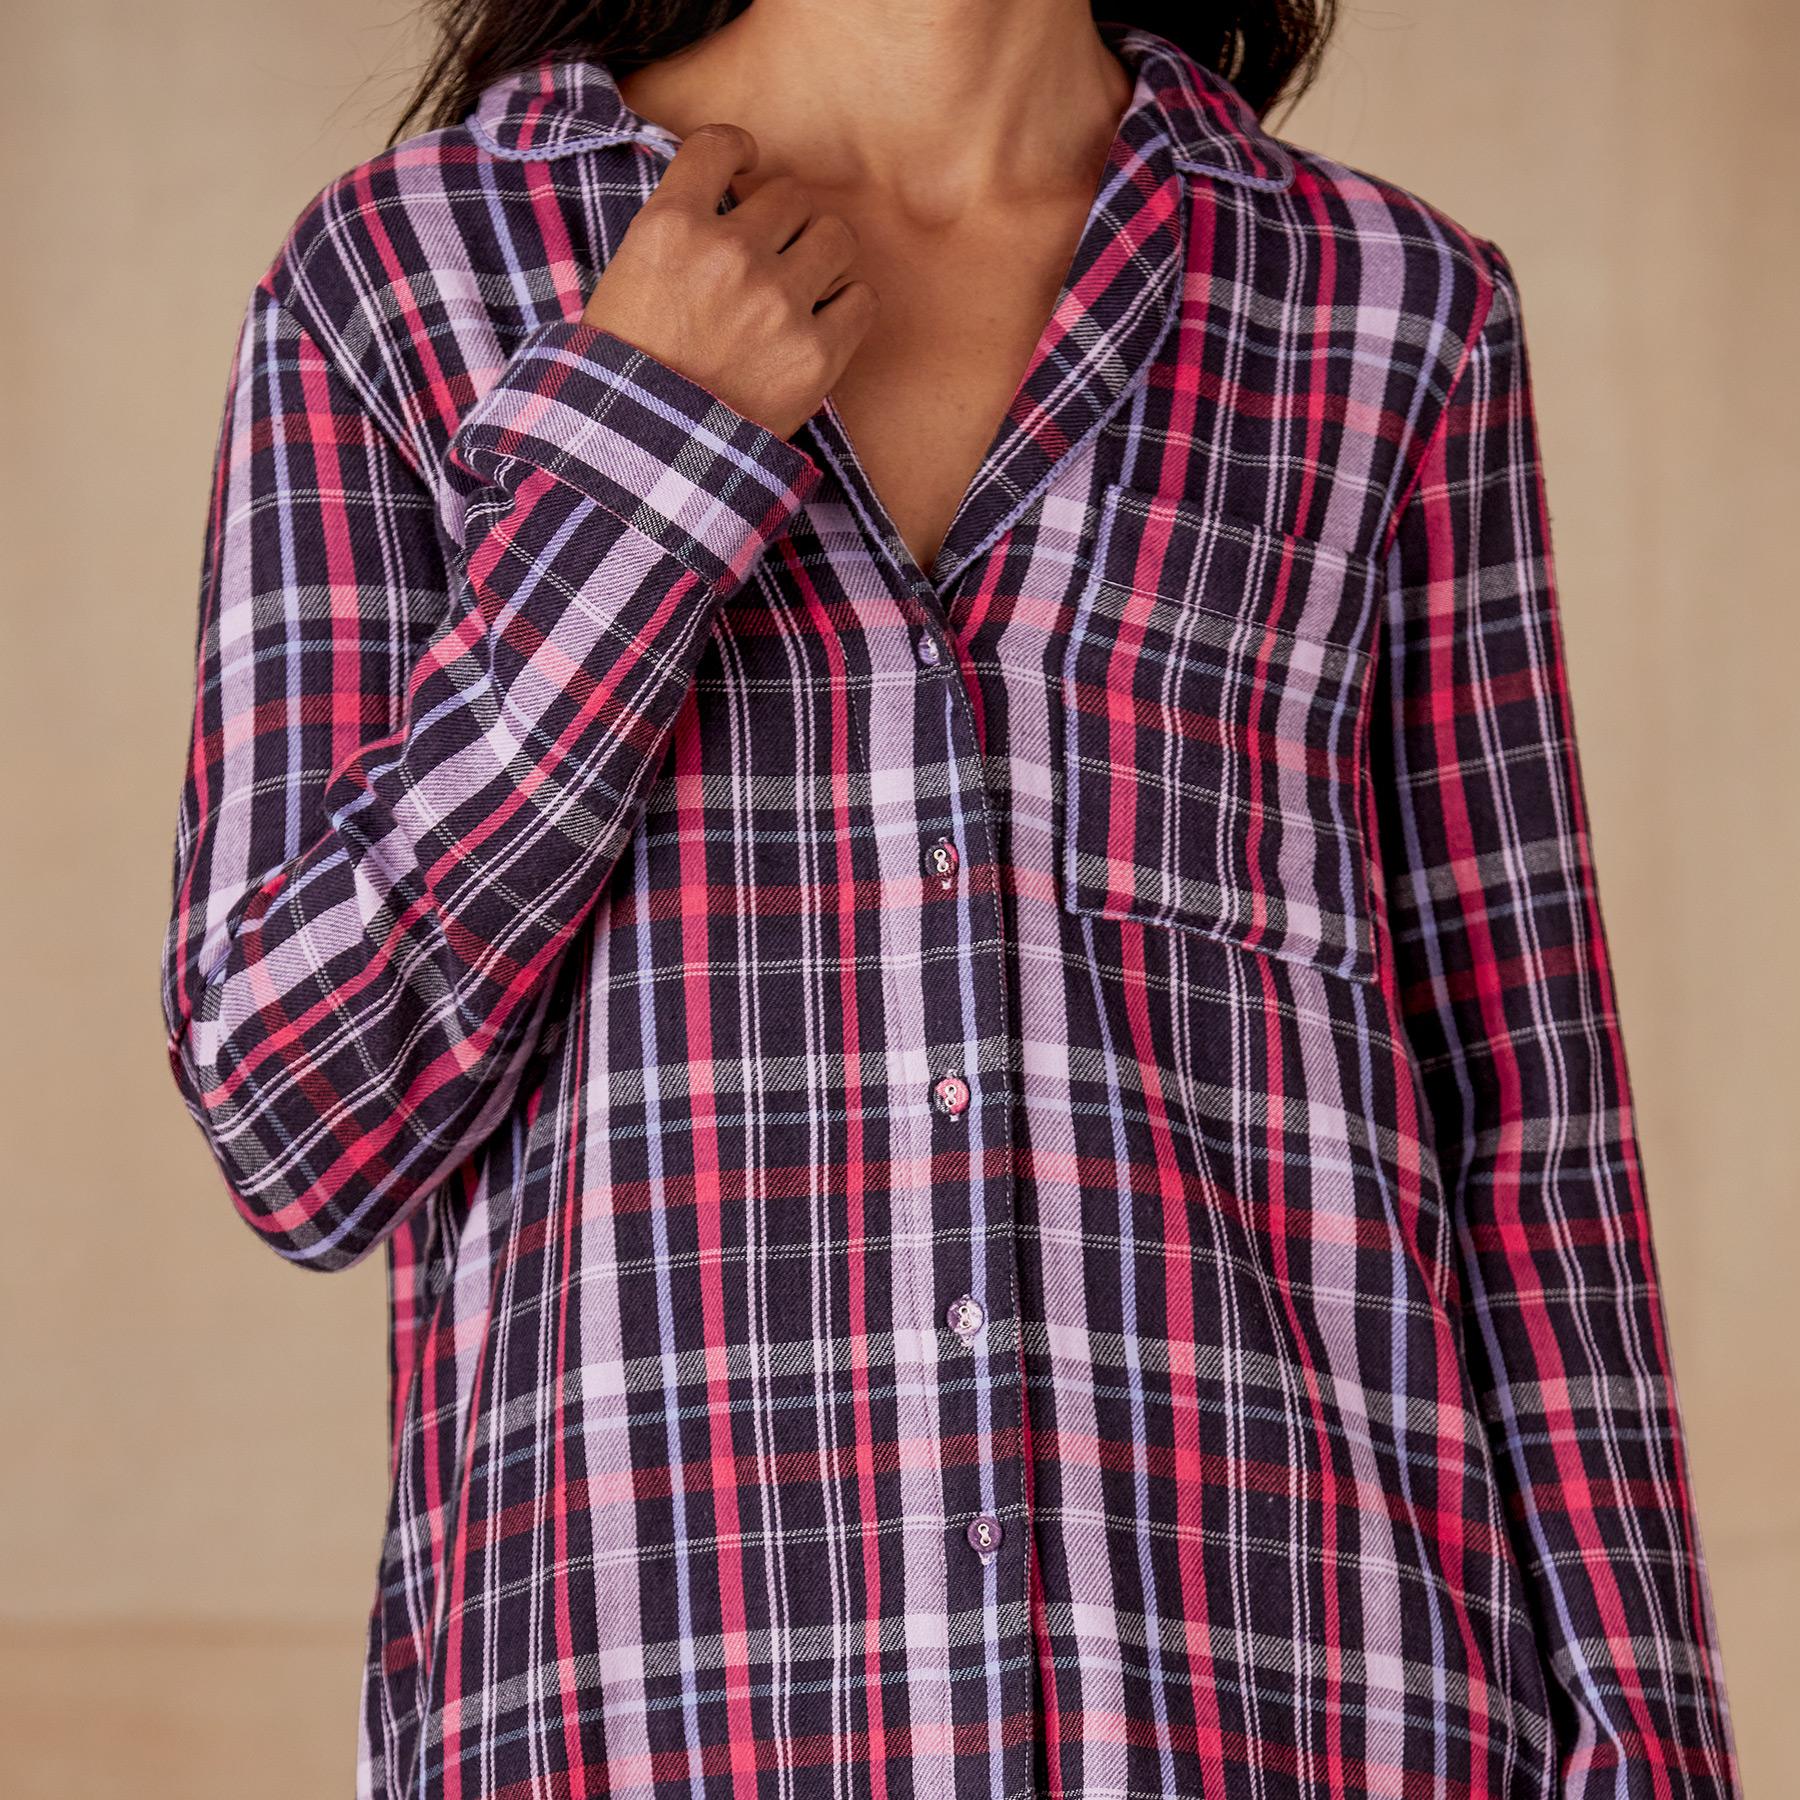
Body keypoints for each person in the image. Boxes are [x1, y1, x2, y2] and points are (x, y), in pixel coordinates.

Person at [156, 2, 1741, 1795]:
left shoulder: (1385, 310)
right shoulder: (410, 275)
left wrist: (1653, 1746)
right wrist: (647, 450)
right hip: (661, 1712)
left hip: (1298, 1708)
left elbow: (1531, 1136)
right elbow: (295, 1114)